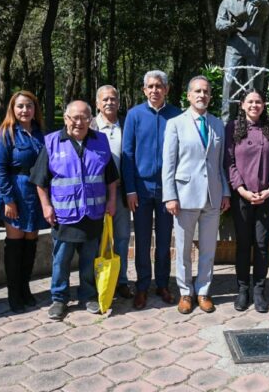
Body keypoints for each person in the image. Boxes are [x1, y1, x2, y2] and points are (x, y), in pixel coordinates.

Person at [31, 100, 118, 321]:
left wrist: (112, 201)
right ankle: (59, 299)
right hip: (64, 216)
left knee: (89, 259)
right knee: (61, 260)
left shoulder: (101, 141)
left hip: (93, 213)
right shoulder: (51, 142)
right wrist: (46, 206)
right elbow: (40, 181)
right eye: (74, 118)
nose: (79, 122)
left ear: (91, 119)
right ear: (66, 118)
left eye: (84, 118)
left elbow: (111, 178)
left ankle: (88, 295)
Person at [162, 76, 230, 314]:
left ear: (210, 96)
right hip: (183, 197)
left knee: (209, 248)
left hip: (212, 196)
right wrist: (170, 195)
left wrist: (226, 192)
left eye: (206, 92)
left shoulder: (217, 124)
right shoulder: (176, 123)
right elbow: (168, 164)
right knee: (182, 250)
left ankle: (203, 291)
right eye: (197, 91)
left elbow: (221, 163)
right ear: (189, 96)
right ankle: (185, 292)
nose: (202, 95)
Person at [122, 70, 182, 309]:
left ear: (166, 89)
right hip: (141, 190)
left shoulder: (176, 115)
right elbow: (127, 154)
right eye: (150, 86)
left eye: (159, 86)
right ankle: (143, 286)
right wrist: (130, 190)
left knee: (166, 240)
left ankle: (163, 284)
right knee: (143, 241)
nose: (155, 90)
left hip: (168, 190)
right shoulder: (134, 115)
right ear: (144, 90)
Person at [224, 90, 269, 313]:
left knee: (260, 244)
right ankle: (242, 289)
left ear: (264, 105)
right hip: (242, 196)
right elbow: (229, 162)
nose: (254, 105)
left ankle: (259, 290)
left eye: (258, 102)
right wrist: (241, 189)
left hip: (266, 197)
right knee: (243, 244)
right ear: (242, 104)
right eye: (250, 101)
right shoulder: (233, 128)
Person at [0, 90, 47, 313]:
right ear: (13, 109)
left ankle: (25, 288)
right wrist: (8, 199)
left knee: (30, 244)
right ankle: (13, 293)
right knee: (15, 245)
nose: (25, 110)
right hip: (16, 192)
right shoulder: (6, 133)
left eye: (29, 106)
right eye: (20, 106)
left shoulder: (41, 134)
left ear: (35, 109)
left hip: (37, 192)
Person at [90, 85, 133, 300]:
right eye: (105, 99)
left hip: (122, 193)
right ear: (97, 103)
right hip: (95, 194)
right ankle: (99, 281)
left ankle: (121, 280)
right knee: (98, 240)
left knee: (123, 238)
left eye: (113, 99)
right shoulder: (89, 126)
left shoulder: (127, 124)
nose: (109, 102)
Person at [215, 0, 269, 121]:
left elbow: (266, 12)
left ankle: (255, 121)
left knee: (254, 82)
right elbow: (219, 24)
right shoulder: (227, 2)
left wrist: (263, 5)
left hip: (253, 42)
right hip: (234, 43)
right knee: (230, 82)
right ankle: (227, 122)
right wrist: (232, 25)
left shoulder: (260, 0)